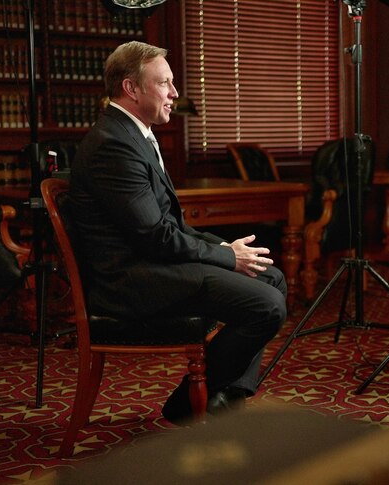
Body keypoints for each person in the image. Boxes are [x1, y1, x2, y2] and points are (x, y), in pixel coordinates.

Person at [68, 41, 287, 424]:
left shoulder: (133, 135)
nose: (174, 94)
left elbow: (171, 226)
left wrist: (224, 246)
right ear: (131, 88)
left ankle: (226, 393)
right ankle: (188, 405)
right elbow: (155, 237)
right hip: (131, 281)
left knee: (273, 276)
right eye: (164, 83)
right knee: (265, 305)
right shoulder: (113, 145)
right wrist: (226, 257)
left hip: (154, 264)